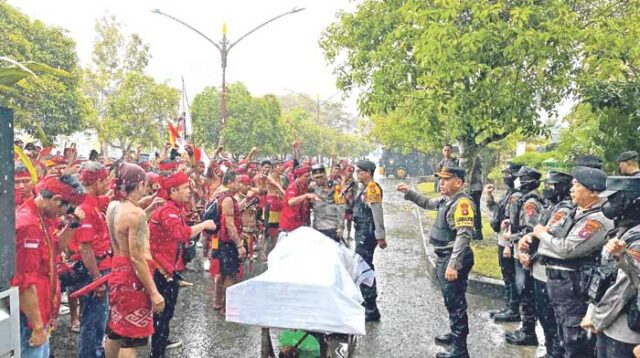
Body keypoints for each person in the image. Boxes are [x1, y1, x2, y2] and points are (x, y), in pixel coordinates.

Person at [532, 166, 613, 358]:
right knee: (563, 337)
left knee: (576, 341)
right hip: (562, 287)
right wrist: (536, 236)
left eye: (577, 185)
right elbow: (554, 234)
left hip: (576, 289)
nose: (571, 189)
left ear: (593, 191)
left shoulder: (597, 219)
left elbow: (566, 248)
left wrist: (541, 235)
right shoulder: (576, 212)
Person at [398, 166, 472, 358]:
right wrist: (409, 193)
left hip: (452, 257)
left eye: (446, 179)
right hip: (445, 256)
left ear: (459, 182)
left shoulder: (462, 203)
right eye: (441, 179)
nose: (441, 182)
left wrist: (453, 265)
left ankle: (460, 350)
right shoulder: (446, 199)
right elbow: (427, 202)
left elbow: (463, 236)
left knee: (455, 303)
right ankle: (456, 336)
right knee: (452, 301)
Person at [12, 174, 85, 358]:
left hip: (41, 309)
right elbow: (23, 282)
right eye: (65, 208)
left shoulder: (41, 217)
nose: (65, 214)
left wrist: (72, 225)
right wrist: (37, 327)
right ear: (56, 199)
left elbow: (55, 248)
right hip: (28, 318)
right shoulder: (29, 226)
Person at [148, 171, 216, 357]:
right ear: (173, 190)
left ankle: (162, 342)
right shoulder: (168, 211)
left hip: (168, 268)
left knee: (167, 312)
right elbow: (181, 234)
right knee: (162, 313)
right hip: (160, 270)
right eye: (186, 188)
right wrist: (203, 225)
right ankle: (157, 351)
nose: (189, 191)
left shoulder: (176, 208)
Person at [105, 163, 165, 358]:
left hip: (117, 272)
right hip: (133, 279)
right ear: (139, 184)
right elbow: (137, 259)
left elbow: (125, 231)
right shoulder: (135, 215)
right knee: (130, 339)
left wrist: (148, 209)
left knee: (115, 331)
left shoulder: (113, 207)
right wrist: (154, 292)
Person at [582, 176, 640, 357]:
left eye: (613, 199)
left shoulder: (636, 239)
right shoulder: (621, 231)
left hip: (623, 329)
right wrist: (593, 311)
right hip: (607, 322)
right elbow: (603, 274)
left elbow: (624, 287)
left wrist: (597, 318)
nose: (607, 203)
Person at [519, 170, 574, 357]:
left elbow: (549, 233)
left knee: (551, 317)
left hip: (550, 268)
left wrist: (533, 238)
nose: (548, 189)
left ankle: (554, 353)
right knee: (544, 314)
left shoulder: (564, 209)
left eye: (553, 185)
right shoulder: (553, 206)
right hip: (540, 264)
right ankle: (550, 351)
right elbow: (536, 231)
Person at [500, 167, 544, 347]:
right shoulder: (525, 199)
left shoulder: (530, 203)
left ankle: (529, 332)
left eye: (521, 179)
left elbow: (531, 231)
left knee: (527, 293)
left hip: (526, 252)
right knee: (523, 291)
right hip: (521, 250)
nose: (517, 181)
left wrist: (513, 238)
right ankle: (526, 329)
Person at [74, 162, 112, 358]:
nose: (108, 184)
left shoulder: (90, 202)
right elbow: (85, 247)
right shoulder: (86, 208)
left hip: (98, 268)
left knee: (97, 319)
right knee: (93, 321)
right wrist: (97, 280)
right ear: (96, 181)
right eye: (105, 180)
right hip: (94, 271)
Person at [485, 162, 522, 319]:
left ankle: (513, 309)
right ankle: (508, 306)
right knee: (506, 274)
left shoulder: (517, 196)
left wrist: (508, 245)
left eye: (509, 175)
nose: (506, 177)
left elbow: (513, 222)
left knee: (511, 275)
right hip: (502, 238)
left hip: (509, 241)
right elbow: (498, 211)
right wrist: (489, 197)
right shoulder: (509, 193)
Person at [353, 160, 386, 322]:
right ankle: (367, 303)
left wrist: (380, 236)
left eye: (359, 171)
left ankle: (371, 307)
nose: (357, 174)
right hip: (362, 232)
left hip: (367, 233)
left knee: (364, 268)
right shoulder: (364, 188)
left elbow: (377, 212)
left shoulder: (372, 188)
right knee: (362, 266)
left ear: (368, 172)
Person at [215, 171, 247, 315]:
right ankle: (226, 308)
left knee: (223, 273)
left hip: (222, 241)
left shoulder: (222, 196)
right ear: (230, 182)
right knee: (230, 275)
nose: (240, 185)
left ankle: (218, 303)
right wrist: (239, 245)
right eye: (238, 182)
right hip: (228, 243)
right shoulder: (227, 199)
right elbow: (229, 225)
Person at [309, 165, 346, 243]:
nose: (319, 179)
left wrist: (341, 227)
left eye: (321, 176)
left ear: (325, 174)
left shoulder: (335, 186)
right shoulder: (312, 187)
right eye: (316, 177)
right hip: (318, 226)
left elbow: (341, 206)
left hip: (331, 226)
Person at [279, 166, 319, 233]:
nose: (308, 178)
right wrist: (306, 196)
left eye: (309, 176)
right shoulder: (293, 187)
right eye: (306, 176)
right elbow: (290, 202)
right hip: (290, 225)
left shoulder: (305, 186)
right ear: (299, 176)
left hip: (300, 224)